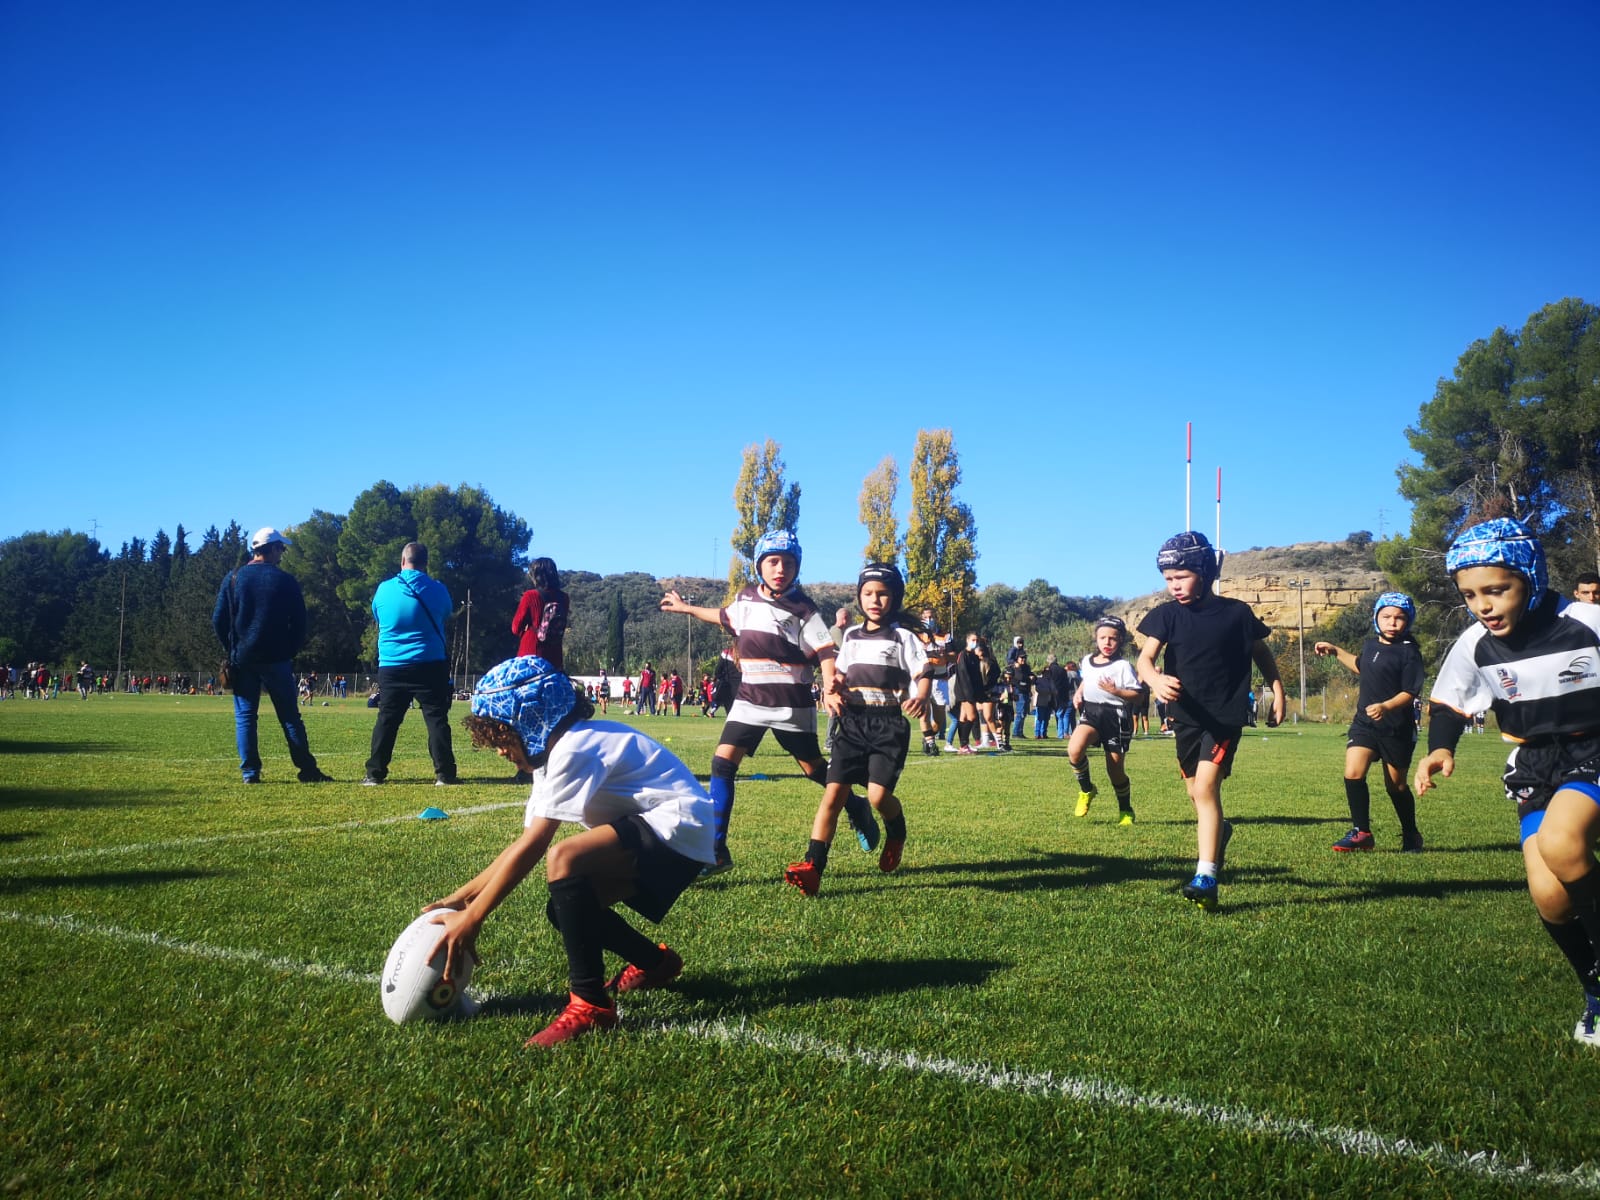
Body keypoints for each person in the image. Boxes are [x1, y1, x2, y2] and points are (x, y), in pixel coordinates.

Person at [424, 655, 715, 1047]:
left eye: (501, 737)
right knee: (568, 907)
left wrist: (474, 918)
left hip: (680, 825)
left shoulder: (575, 748)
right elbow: (521, 843)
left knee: (565, 858)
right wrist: (460, 899)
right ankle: (657, 963)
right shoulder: (552, 757)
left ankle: (591, 1004)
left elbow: (537, 847)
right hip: (673, 830)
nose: (499, 751)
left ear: (528, 719)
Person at [1414, 518, 1600, 1048]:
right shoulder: (1476, 643)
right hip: (1535, 764)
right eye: (1470, 594)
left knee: (1562, 844)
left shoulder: (1586, 620)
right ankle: (1595, 992)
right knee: (1549, 896)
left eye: (1497, 589)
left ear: (1532, 577)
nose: (1483, 605)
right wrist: (1440, 748)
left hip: (1594, 748)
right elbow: (1450, 701)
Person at [659, 530, 878, 874]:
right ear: (760, 565)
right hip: (749, 699)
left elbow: (824, 650)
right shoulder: (745, 599)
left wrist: (830, 685)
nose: (781, 569)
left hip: (791, 703)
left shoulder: (804, 609)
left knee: (813, 769)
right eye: (773, 562)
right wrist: (686, 608)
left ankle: (855, 806)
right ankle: (716, 851)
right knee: (722, 764)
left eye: (788, 563)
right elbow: (722, 616)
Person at [1136, 531, 1284, 911]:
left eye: (1181, 577)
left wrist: (1277, 691)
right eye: (1168, 580)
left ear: (1204, 570)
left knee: (1205, 789)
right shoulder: (1166, 615)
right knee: (1195, 793)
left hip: (1224, 716)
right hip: (1185, 718)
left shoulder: (1237, 614)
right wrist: (1154, 680)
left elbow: (1262, 654)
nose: (1174, 587)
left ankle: (1206, 875)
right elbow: (1144, 660)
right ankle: (1220, 834)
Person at [785, 564, 930, 896]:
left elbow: (923, 673)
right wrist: (832, 687)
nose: (874, 600)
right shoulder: (850, 635)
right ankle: (812, 867)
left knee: (878, 797)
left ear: (894, 598)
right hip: (852, 723)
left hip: (888, 725)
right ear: (859, 597)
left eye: (882, 593)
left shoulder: (902, 637)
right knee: (834, 793)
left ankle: (896, 832)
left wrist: (921, 696)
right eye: (868, 593)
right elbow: (840, 674)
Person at [211, 526, 332, 784]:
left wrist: (232, 647)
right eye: (282, 549)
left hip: (242, 658)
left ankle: (250, 773)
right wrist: (290, 649)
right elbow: (300, 623)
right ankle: (307, 770)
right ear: (274, 549)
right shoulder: (285, 580)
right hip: (277, 658)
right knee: (290, 716)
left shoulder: (233, 578)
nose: (283, 554)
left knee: (245, 717)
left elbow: (218, 620)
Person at [1312, 592, 1425, 853]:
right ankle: (1361, 832)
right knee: (1353, 773)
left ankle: (1411, 834)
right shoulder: (1371, 645)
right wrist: (1335, 650)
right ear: (1377, 618)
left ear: (1408, 621)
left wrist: (1386, 707)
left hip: (1396, 727)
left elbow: (1410, 692)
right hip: (1365, 723)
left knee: (1395, 786)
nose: (1392, 622)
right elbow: (1361, 665)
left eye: (1399, 618)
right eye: (1386, 617)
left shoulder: (1410, 653)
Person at [363, 542, 459, 787]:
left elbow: (378, 617)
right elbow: (446, 613)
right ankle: (444, 774)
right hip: (429, 662)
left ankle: (375, 773)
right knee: (436, 718)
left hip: (392, 664)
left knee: (387, 719)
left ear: (402, 561)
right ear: (426, 563)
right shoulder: (438, 589)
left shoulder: (384, 589)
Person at [1068, 617, 1142, 824]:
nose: (1107, 643)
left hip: (1116, 717)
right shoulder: (1087, 660)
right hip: (1091, 712)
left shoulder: (1123, 666)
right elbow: (1087, 679)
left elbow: (1139, 695)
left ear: (1120, 641)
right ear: (1096, 638)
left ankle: (1125, 810)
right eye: (1103, 638)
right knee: (1074, 750)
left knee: (1115, 771)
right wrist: (1078, 693)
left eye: (1113, 639)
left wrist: (1116, 691)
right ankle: (1087, 790)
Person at [511, 558, 570, 671]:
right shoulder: (564, 598)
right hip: (555, 655)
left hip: (531, 652)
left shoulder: (530, 596)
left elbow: (515, 628)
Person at [915, 606, 953, 756]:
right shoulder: (917, 636)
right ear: (922, 619)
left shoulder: (945, 636)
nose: (929, 620)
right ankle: (931, 743)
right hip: (923, 678)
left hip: (940, 679)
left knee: (939, 719)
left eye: (931, 617)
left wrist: (944, 655)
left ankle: (928, 737)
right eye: (926, 617)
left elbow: (952, 656)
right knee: (924, 713)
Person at [1007, 639, 1033, 740]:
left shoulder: (1026, 667)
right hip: (1019, 691)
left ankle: (1020, 732)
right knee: (1020, 712)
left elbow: (1030, 675)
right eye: (1021, 658)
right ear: (1017, 659)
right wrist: (1027, 678)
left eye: (1024, 658)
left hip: (1026, 691)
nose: (1023, 659)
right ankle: (1015, 732)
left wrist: (1032, 677)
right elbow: (1019, 679)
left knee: (1024, 713)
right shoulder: (1015, 668)